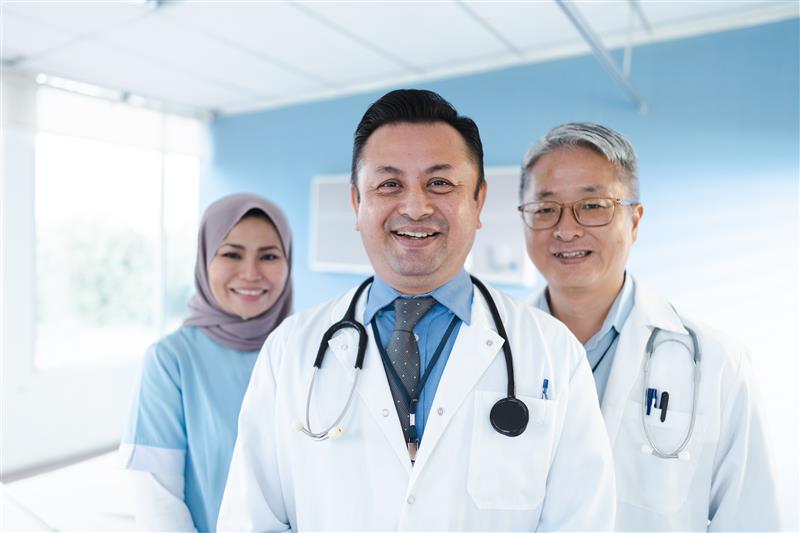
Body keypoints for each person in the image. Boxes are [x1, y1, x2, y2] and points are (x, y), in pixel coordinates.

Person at [217, 90, 615, 532]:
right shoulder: (290, 350)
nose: (415, 207)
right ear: (356, 203)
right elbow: (251, 520)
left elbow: (583, 521)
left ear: (479, 201)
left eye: (440, 183)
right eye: (389, 184)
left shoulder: (552, 351)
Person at [519, 122, 780, 531]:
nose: (566, 229)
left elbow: (751, 518)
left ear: (635, 221)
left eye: (593, 206)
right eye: (545, 208)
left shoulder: (718, 364)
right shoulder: (492, 352)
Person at [119, 194, 293, 532]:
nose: (250, 273)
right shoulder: (170, 361)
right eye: (231, 254)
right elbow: (159, 505)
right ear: (204, 259)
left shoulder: (309, 350)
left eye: (269, 256)